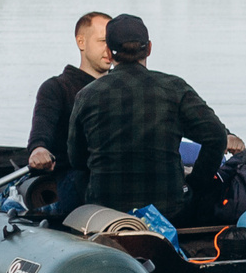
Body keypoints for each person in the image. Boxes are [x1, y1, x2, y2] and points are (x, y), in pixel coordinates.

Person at [65, 12, 232, 219]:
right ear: (149, 48)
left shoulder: (86, 95)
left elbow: (77, 159)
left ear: (109, 51)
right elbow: (216, 137)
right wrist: (194, 183)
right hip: (170, 210)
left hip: (106, 212)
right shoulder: (174, 88)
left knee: (77, 177)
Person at [26, 10, 111, 212]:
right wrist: (38, 149)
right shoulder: (56, 88)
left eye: (112, 43)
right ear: (81, 42)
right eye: (102, 41)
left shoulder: (123, 87)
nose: (109, 50)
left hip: (117, 176)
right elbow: (41, 130)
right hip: (71, 178)